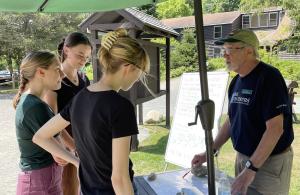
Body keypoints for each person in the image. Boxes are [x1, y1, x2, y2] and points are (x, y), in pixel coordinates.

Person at [33, 28, 150, 195]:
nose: (139, 78)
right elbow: (119, 179)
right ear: (128, 67)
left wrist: (76, 161)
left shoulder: (80, 97)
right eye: (141, 71)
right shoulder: (121, 107)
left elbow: (40, 136)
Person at [191, 29, 294, 195]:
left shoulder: (269, 77)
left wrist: (250, 171)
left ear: (249, 51)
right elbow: (232, 120)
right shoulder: (236, 81)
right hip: (244, 160)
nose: (224, 56)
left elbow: (275, 129)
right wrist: (210, 151)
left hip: (269, 164)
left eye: (230, 50)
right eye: (223, 50)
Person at [43, 31, 92, 195]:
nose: (83, 60)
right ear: (66, 50)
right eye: (80, 55)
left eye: (86, 57)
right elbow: (52, 121)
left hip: (83, 142)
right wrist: (73, 146)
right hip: (65, 146)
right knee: (68, 188)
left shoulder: (84, 79)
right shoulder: (55, 82)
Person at [13, 51, 66, 195]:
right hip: (37, 182)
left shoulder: (37, 103)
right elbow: (58, 151)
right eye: (57, 69)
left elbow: (56, 143)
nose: (62, 75)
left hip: (47, 177)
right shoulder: (32, 106)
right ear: (41, 72)